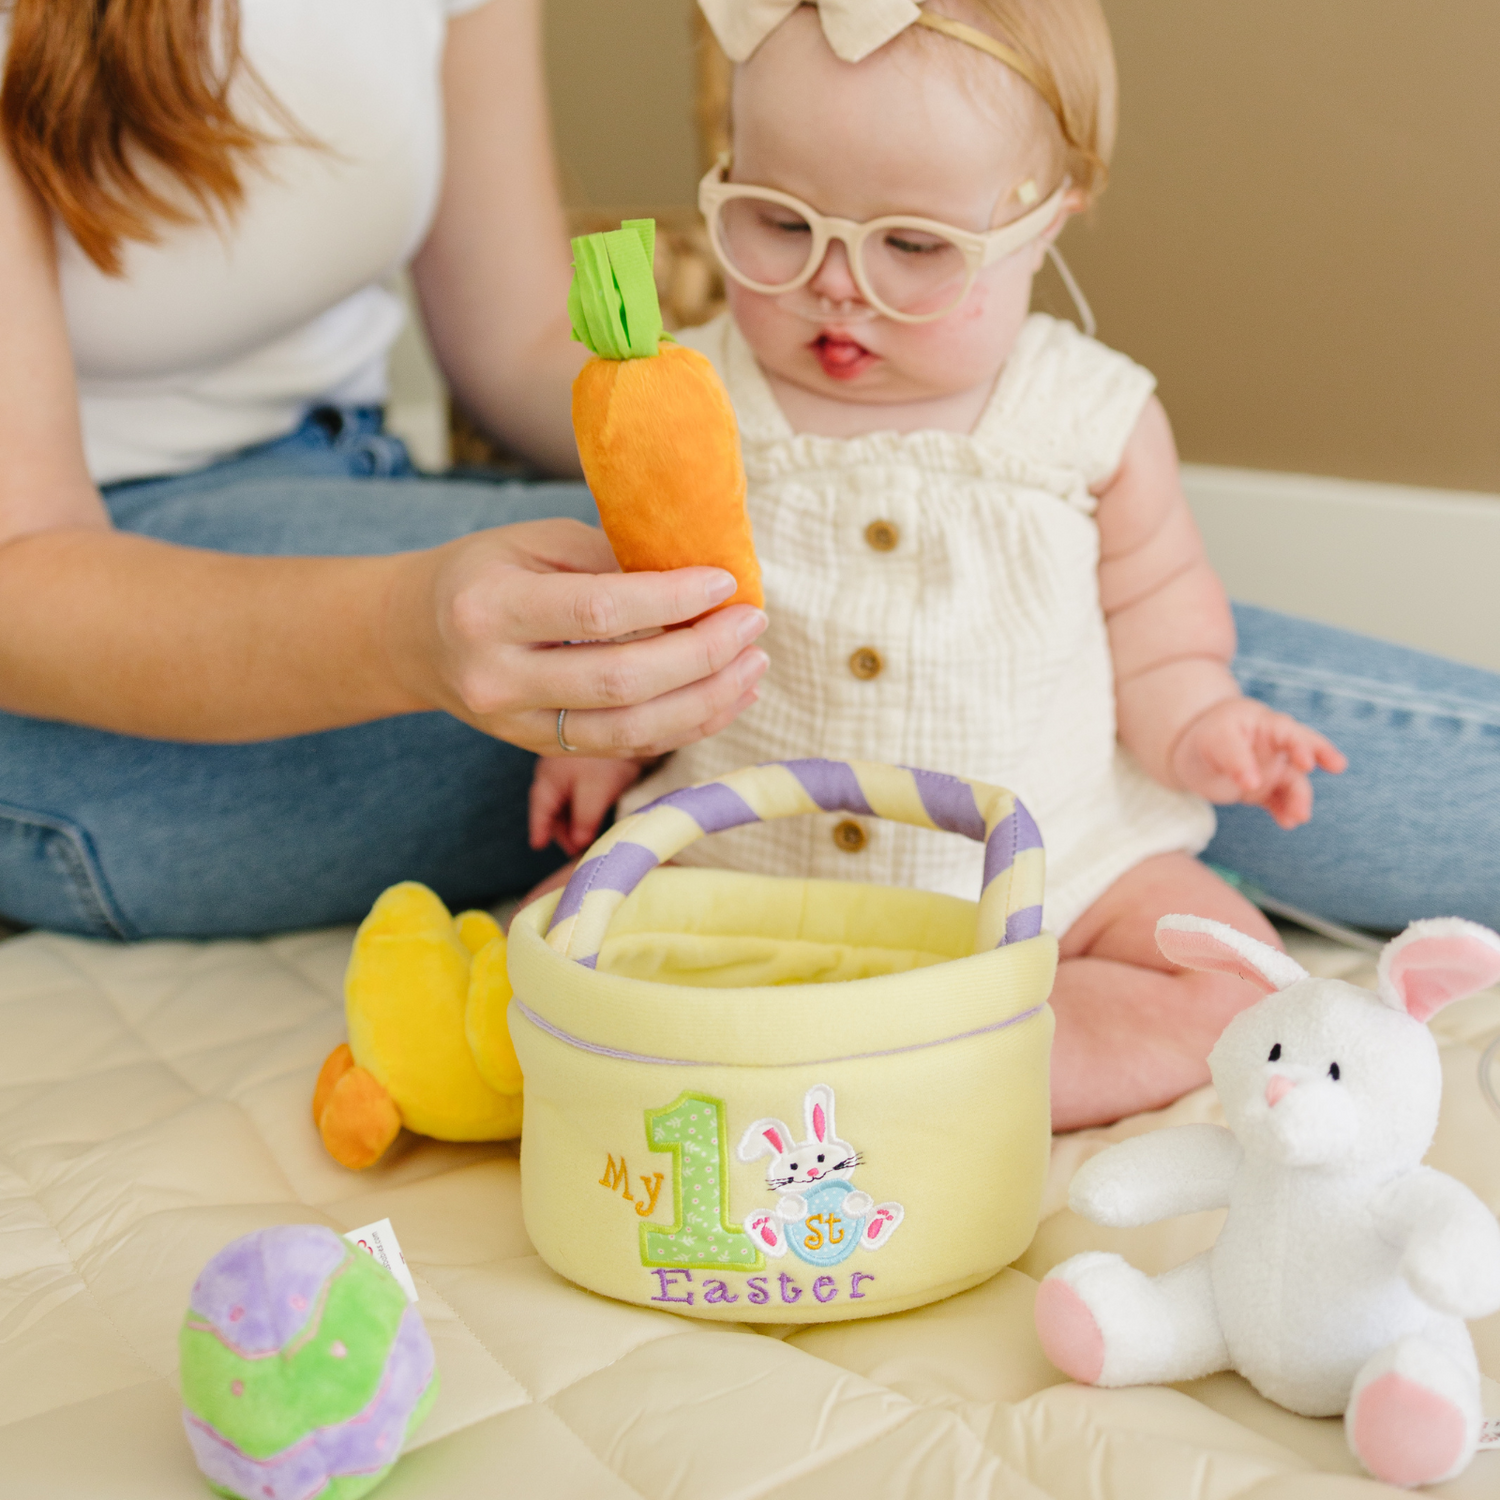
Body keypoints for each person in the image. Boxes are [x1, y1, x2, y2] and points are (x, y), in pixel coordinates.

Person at [530, 0, 1500, 1131]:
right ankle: (792, 1058)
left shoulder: (1090, 419)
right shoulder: (694, 399)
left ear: (1048, 219)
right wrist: (600, 738)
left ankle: (968, 1079)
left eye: (912, 246)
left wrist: (1204, 724)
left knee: (1236, 981)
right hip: (746, 862)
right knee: (551, 954)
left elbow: (1160, 621)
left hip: (1054, 874)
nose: (836, 284)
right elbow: (655, 599)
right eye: (780, 224)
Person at [0, 0, 769, 940]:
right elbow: (18, 560)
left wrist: (786, 457)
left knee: (793, 576)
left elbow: (518, 339)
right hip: (79, 613)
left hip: (355, 479)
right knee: (750, 655)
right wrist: (412, 634)